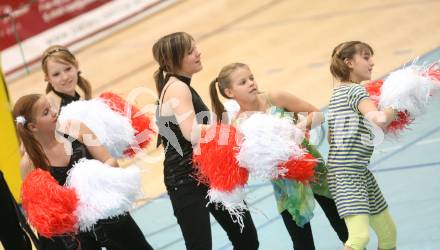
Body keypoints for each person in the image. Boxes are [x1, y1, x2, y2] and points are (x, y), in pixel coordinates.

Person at [209, 62, 348, 250]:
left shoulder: (275, 97)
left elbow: (317, 114)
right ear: (229, 92)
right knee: (302, 243)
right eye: (243, 82)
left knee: (344, 229)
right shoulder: (237, 125)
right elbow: (245, 161)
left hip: (316, 172)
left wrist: (298, 128)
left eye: (251, 78)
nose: (251, 83)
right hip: (286, 187)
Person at [153, 32, 259, 250]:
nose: (198, 53)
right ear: (174, 60)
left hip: (208, 172)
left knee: (246, 238)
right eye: (190, 51)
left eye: (195, 48)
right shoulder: (177, 88)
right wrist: (228, 130)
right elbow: (191, 133)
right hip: (185, 180)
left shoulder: (180, 85)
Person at [14, 94, 153, 250]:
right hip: (75, 233)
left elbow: (110, 161)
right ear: (33, 126)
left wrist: (93, 180)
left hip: (105, 211)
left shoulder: (76, 128)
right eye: (46, 112)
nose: (54, 112)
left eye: (51, 107)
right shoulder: (29, 163)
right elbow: (43, 212)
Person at [327, 41, 397, 250]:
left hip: (358, 171)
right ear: (349, 62)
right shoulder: (356, 92)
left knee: (388, 233)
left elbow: (332, 138)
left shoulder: (337, 93)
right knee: (359, 238)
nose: (372, 62)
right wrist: (397, 106)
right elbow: (379, 119)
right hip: (347, 173)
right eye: (366, 57)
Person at [41, 45, 92, 113]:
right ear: (48, 78)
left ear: (76, 65)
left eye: (68, 69)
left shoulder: (81, 101)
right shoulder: (48, 109)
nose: (65, 77)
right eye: (56, 74)